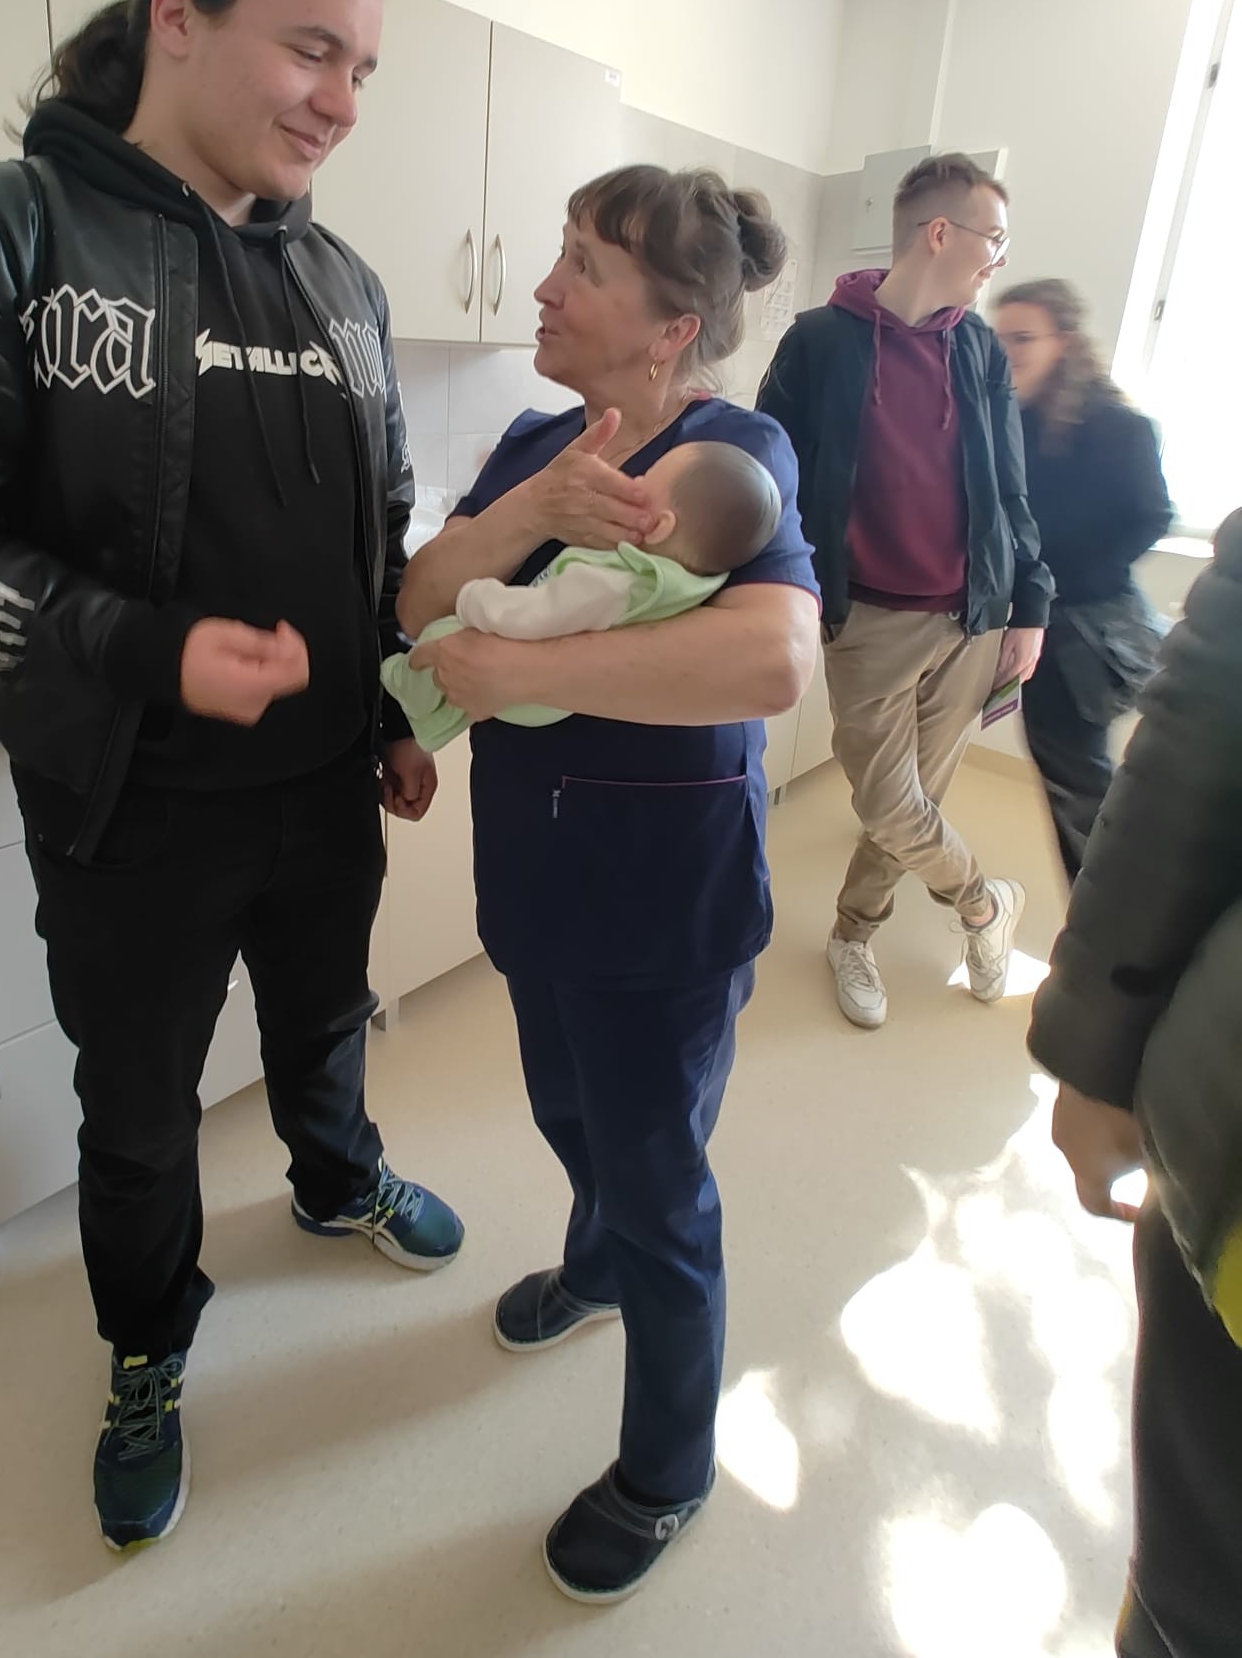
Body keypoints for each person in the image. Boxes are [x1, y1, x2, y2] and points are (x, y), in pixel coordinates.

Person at [0, 0, 464, 1553]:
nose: (340, 99)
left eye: (362, 70)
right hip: (130, 805)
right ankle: (147, 1342)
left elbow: (379, 532)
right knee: (137, 1112)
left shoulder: (342, 282)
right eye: (311, 49)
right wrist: (144, 650)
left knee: (325, 1024)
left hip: (323, 785)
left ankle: (334, 1179)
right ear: (177, 13)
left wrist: (393, 705)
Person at [397, 165, 819, 1604]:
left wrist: (520, 664)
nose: (544, 286)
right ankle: (594, 1267)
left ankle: (666, 1469)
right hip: (536, 875)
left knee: (660, 1186)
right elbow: (417, 599)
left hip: (664, 899)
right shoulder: (535, 441)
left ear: (671, 326)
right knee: (567, 1113)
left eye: (584, 264)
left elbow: (773, 658)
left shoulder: (732, 453)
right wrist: (530, 512)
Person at [756, 153, 1053, 1031]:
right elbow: (766, 476)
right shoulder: (819, 342)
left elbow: (1011, 488)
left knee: (919, 796)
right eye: (993, 238)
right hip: (868, 620)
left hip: (972, 615)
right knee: (888, 800)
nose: (1000, 257)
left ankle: (853, 934)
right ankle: (985, 902)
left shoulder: (980, 349)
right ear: (940, 233)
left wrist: (1030, 606)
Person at [1027, 508, 1242, 1658]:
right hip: (1230, 1184)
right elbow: (1207, 720)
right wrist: (1097, 1058)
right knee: (1194, 1608)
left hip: (1052, 628)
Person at [383, 439, 781, 749]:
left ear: (659, 526)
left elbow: (537, 614)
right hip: (541, 712)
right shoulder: (689, 577)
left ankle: (402, 684)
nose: (633, 481)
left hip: (533, 698)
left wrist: (476, 599)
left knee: (442, 637)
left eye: (644, 482)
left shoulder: (615, 580)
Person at [990, 279, 1171, 882]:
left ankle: (1104, 917)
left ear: (1063, 341)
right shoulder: (1011, 421)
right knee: (1075, 778)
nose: (1007, 350)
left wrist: (1060, 582)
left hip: (1083, 632)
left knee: (1078, 788)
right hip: (1030, 619)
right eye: (1000, 338)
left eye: (1022, 338)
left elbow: (1151, 515)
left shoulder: (1119, 426)